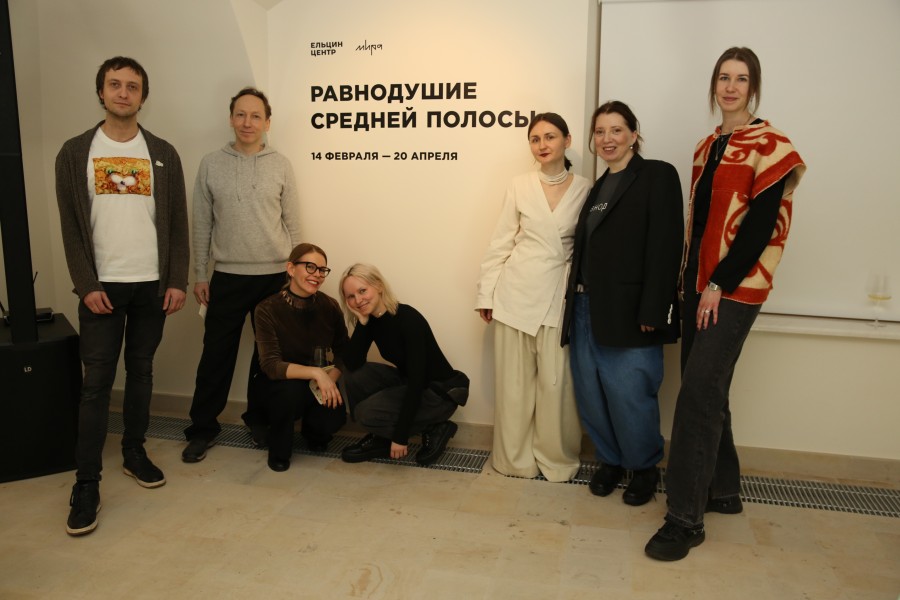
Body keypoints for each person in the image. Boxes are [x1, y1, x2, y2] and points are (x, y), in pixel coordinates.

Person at [645, 47, 806, 561]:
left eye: (741, 79)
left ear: (753, 86)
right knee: (707, 386)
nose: (730, 87)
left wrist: (718, 282)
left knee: (697, 393)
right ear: (714, 85)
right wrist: (690, 283)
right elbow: (700, 224)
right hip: (697, 282)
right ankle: (722, 490)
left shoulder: (772, 145)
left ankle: (684, 519)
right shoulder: (706, 145)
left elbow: (760, 227)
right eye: (723, 77)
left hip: (734, 286)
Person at [55, 56, 189, 536]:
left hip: (151, 284)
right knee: (96, 384)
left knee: (142, 371)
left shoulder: (163, 153)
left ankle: (134, 451)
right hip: (102, 288)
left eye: (132, 86)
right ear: (101, 92)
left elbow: (177, 224)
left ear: (143, 96)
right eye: (115, 84)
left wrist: (176, 279)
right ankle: (86, 483)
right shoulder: (75, 152)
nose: (123, 93)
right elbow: (71, 227)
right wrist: (87, 284)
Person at [561, 101, 683, 505]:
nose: (607, 139)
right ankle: (610, 461)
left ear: (634, 134)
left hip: (630, 311)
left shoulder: (657, 175)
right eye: (600, 132)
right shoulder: (596, 188)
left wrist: (654, 308)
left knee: (630, 395)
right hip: (585, 309)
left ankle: (643, 468)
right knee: (592, 394)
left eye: (616, 130)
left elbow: (666, 245)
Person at [182, 87, 301, 463]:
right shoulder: (210, 164)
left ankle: (259, 421)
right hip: (228, 276)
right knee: (216, 356)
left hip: (275, 277)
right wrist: (200, 274)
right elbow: (201, 224)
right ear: (231, 118)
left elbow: (294, 224)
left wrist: (298, 273)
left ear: (267, 122)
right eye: (240, 114)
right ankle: (202, 428)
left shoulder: (281, 165)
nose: (247, 122)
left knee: (268, 358)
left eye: (255, 116)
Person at [475, 113, 591, 482]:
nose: (542, 145)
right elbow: (501, 241)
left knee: (556, 386)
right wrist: (486, 293)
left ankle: (556, 459)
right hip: (515, 294)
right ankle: (514, 460)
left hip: (559, 295)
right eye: (535, 138)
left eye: (550, 137)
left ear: (567, 141)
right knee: (514, 386)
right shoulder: (519, 185)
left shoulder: (586, 188)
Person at [338, 264, 468, 466]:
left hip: (438, 394)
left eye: (362, 291)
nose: (358, 300)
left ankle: (435, 428)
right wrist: (362, 322)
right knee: (356, 374)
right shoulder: (371, 320)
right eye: (351, 296)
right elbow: (352, 363)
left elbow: (418, 380)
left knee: (364, 413)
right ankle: (381, 435)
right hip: (411, 383)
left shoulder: (408, 318)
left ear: (379, 286)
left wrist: (400, 436)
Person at [252, 243, 348, 472]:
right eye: (310, 267)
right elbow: (271, 365)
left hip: (319, 380)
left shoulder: (329, 306)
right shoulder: (267, 309)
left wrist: (330, 379)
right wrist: (316, 373)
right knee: (288, 396)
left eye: (322, 270)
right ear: (291, 268)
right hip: (281, 382)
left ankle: (313, 433)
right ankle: (279, 451)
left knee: (332, 420)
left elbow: (345, 350)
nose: (317, 275)